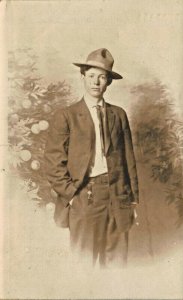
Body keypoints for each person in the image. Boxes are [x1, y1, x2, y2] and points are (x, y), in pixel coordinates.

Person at [44, 48, 139, 268]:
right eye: (91, 76)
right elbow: (52, 163)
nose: (96, 82)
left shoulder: (119, 114)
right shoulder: (66, 116)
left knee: (117, 265)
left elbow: (129, 160)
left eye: (102, 77)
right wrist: (72, 194)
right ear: (83, 77)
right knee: (83, 263)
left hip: (118, 196)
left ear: (109, 82)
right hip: (85, 196)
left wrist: (133, 199)